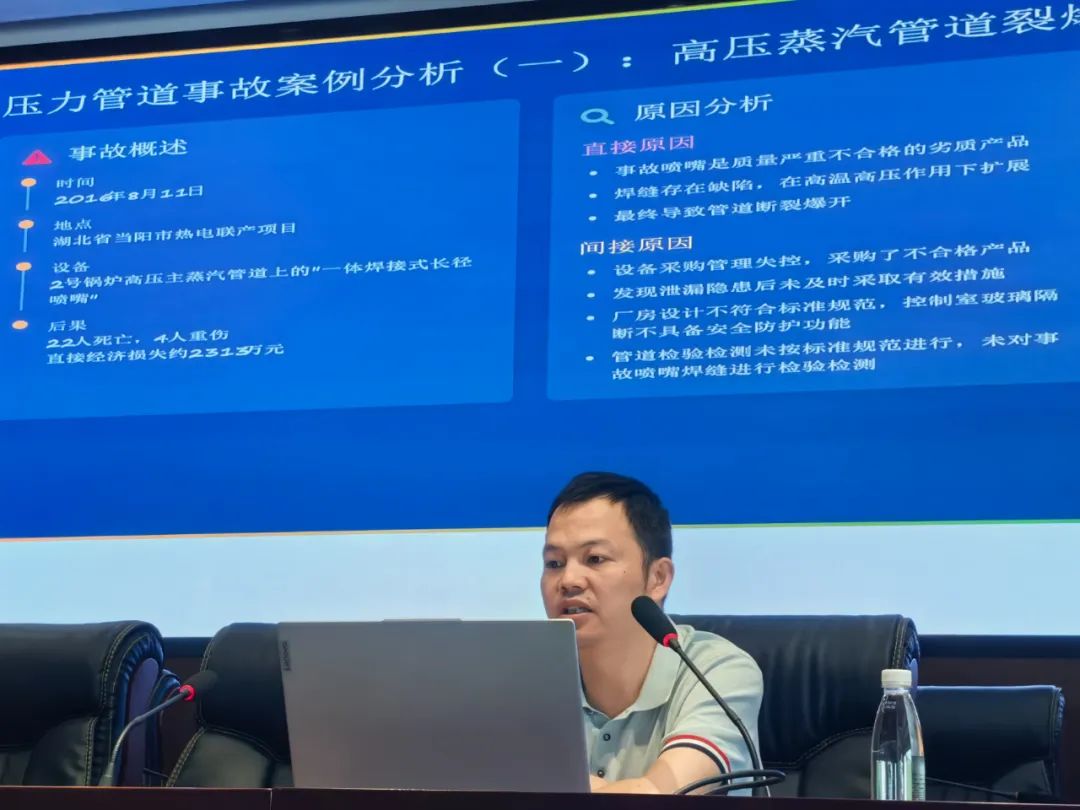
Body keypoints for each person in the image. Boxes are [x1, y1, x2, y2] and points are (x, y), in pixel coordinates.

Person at [541, 471, 763, 795]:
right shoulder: (528, 680)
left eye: (595, 559)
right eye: (554, 563)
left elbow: (659, 799)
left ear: (658, 577)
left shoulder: (716, 672)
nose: (568, 580)